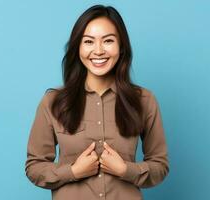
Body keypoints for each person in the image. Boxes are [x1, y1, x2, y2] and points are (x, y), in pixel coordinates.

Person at [25, 4, 169, 200]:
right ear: (78, 48)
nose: (99, 50)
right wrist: (73, 172)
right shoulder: (53, 102)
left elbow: (160, 165)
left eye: (108, 41)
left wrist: (126, 170)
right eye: (89, 41)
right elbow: (34, 167)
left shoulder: (144, 100)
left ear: (121, 47)